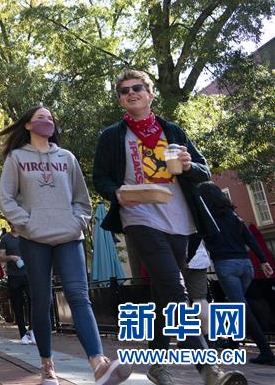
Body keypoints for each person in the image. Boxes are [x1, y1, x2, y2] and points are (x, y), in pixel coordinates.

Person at [93, 69, 245, 385]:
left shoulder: (172, 131)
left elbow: (203, 171)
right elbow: (101, 179)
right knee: (176, 288)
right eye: (124, 91)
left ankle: (158, 364)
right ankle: (210, 369)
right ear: (120, 99)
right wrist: (117, 192)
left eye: (137, 88)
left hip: (180, 222)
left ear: (150, 94)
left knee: (165, 295)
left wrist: (189, 165)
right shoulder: (112, 136)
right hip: (139, 217)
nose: (131, 93)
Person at [0, 105, 130, 385]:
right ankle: (47, 366)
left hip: (69, 237)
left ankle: (98, 364)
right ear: (27, 126)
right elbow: (7, 199)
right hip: (35, 240)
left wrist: (77, 223)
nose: (46, 121)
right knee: (42, 300)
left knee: (79, 297)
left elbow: (82, 200)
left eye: (50, 118)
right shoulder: (17, 158)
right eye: (39, 118)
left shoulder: (66, 157)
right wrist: (28, 224)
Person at [197, 182, 275, 365]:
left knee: (241, 307)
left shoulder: (206, 220)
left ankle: (266, 352)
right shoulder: (234, 216)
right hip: (246, 265)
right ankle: (232, 344)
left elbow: (196, 241)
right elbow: (250, 238)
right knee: (235, 303)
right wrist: (263, 261)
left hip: (226, 266)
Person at [0, 222, 34, 345]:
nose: (14, 224)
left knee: (32, 301)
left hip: (28, 274)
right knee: (17, 305)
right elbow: (1, 257)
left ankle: (32, 330)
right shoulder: (5, 239)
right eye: (12, 222)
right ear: (9, 223)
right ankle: (23, 334)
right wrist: (11, 257)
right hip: (14, 276)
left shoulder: (26, 236)